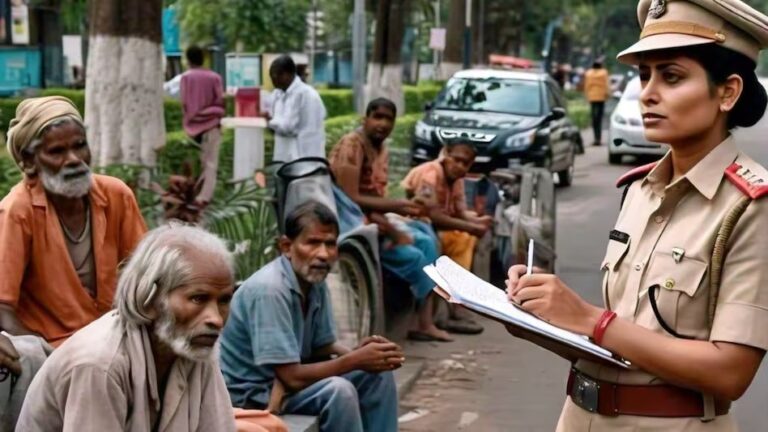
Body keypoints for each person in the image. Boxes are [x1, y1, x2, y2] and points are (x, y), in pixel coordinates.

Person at [506, 0, 768, 430]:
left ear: (727, 91)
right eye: (644, 75)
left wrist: (592, 319)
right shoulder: (639, 189)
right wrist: (543, 314)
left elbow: (731, 371)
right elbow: (625, 339)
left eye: (672, 76)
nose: (647, 92)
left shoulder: (750, 205)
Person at [0, 96, 147, 430]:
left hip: (116, 340)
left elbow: (148, 276)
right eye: (56, 152)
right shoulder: (17, 210)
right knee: (25, 353)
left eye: (80, 146)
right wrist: (64, 356)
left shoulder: (116, 195)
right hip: (50, 348)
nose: (74, 160)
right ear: (29, 162)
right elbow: (3, 307)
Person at [15, 224, 236, 430]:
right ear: (150, 299)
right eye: (198, 298)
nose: (216, 319)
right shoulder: (99, 364)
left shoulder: (195, 347)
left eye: (224, 301)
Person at [219, 201, 401, 432]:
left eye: (330, 244)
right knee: (339, 392)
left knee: (378, 376)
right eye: (313, 243)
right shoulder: (270, 290)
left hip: (285, 383)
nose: (323, 254)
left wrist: (367, 353)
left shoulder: (313, 280)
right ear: (286, 246)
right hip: (258, 394)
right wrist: (355, 360)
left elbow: (321, 346)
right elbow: (291, 376)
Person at [328, 98, 450, 343]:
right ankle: (415, 322)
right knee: (414, 255)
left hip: (374, 217)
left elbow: (375, 195)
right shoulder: (352, 146)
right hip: (352, 225)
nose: (382, 124)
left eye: (388, 119)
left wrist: (401, 214)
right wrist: (399, 212)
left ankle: (424, 322)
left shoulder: (380, 148)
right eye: (378, 117)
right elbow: (349, 200)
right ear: (366, 119)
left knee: (426, 238)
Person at [401, 140, 493, 334]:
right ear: (446, 155)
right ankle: (454, 307)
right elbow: (432, 215)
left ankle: (457, 304)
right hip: (419, 226)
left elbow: (460, 211)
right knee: (462, 238)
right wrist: (470, 226)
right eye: (456, 160)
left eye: (465, 163)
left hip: (439, 227)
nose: (460, 166)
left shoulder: (457, 179)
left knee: (466, 237)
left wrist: (478, 221)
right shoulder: (430, 174)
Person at [180, 45, 226, 206]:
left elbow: (184, 103)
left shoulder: (186, 78)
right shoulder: (215, 77)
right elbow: (220, 101)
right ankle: (204, 198)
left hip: (191, 128)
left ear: (189, 59)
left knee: (197, 163)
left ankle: (193, 195)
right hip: (212, 125)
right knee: (211, 163)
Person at [266, 55, 327, 161]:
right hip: (290, 159)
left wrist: (268, 122)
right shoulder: (281, 93)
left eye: (274, 76)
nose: (272, 80)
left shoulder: (302, 94)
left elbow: (288, 127)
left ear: (286, 75)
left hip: (303, 158)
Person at [583, 57, 610, 146]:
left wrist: (586, 96)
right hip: (601, 97)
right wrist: (608, 95)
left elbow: (586, 86)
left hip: (592, 97)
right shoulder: (604, 73)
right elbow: (606, 85)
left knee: (594, 119)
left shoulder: (588, 73)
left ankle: (596, 138)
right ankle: (598, 138)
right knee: (599, 118)